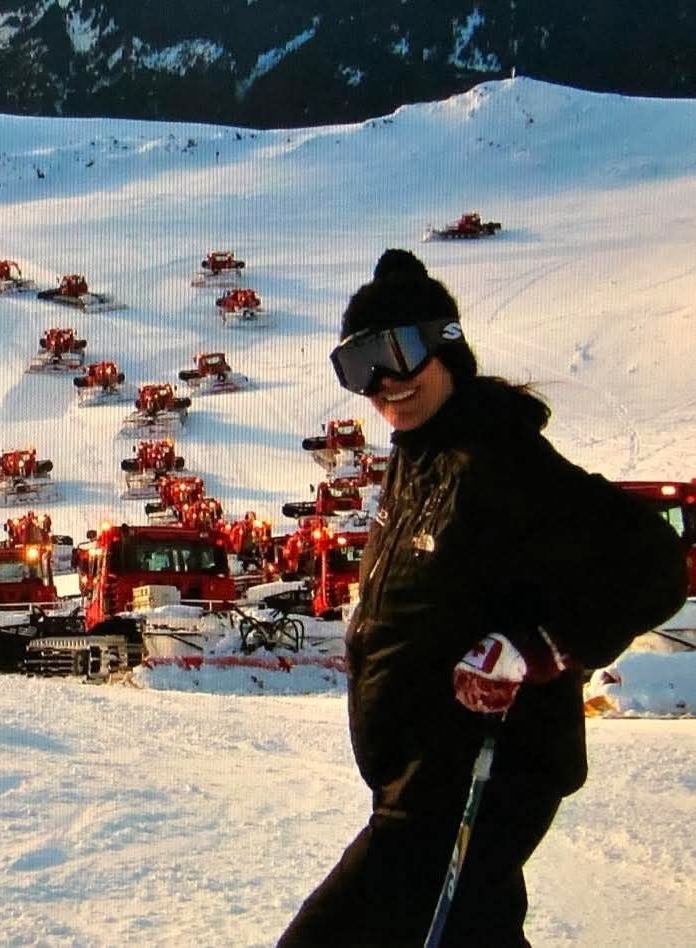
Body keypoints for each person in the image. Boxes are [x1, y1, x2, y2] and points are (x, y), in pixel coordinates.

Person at [278, 249, 687, 947]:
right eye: (359, 367)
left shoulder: (498, 456)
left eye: (398, 353)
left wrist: (535, 650)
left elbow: (652, 562)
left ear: (447, 346)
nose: (382, 385)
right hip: (417, 781)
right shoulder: (421, 454)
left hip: (469, 780)